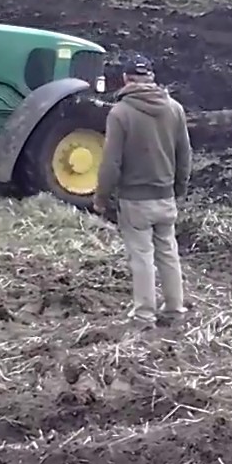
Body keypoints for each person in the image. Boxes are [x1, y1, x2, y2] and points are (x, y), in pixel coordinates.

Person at [93, 54, 192, 327]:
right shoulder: (175, 109)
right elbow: (185, 155)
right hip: (165, 196)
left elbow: (111, 162)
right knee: (168, 252)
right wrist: (179, 189)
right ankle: (174, 309)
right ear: (151, 77)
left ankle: (144, 315)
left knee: (142, 257)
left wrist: (101, 197)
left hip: (135, 200)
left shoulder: (120, 113)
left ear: (125, 78)